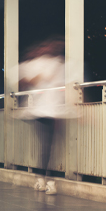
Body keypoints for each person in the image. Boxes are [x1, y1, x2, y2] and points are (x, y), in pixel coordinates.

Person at [16, 37, 67, 195]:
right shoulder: (36, 64)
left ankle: (42, 178)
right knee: (47, 145)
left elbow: (61, 90)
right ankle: (46, 178)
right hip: (40, 111)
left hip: (52, 111)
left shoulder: (59, 65)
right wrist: (34, 79)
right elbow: (22, 82)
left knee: (49, 146)